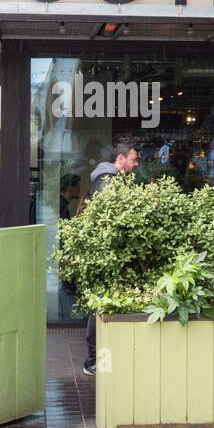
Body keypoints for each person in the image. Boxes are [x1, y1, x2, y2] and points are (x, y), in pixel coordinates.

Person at [79, 136, 139, 376]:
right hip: (104, 255)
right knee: (100, 305)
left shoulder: (104, 180)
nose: (136, 165)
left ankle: (95, 359)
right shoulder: (107, 183)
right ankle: (92, 361)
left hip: (102, 254)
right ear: (121, 159)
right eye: (133, 160)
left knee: (101, 304)